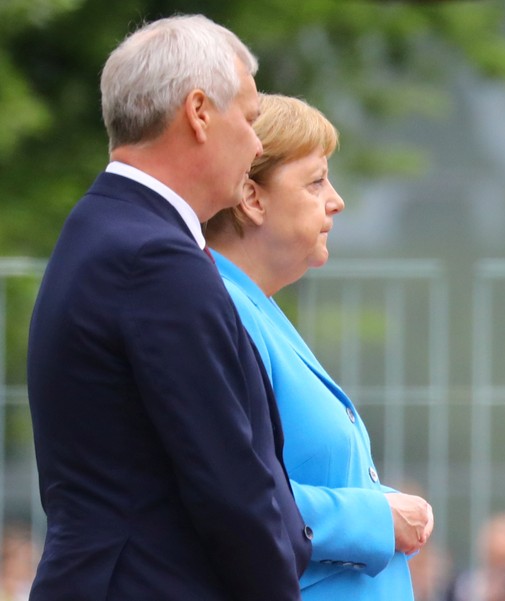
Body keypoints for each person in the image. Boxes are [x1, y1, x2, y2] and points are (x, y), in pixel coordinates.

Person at [27, 15, 311, 600]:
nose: (257, 144)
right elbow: (228, 482)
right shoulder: (153, 257)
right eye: (252, 119)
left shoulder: (104, 228)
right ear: (199, 112)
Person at [203, 93, 434, 599]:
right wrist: (377, 517)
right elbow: (227, 497)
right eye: (315, 181)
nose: (336, 200)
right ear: (251, 197)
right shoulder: (223, 312)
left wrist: (383, 505)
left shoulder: (253, 307)